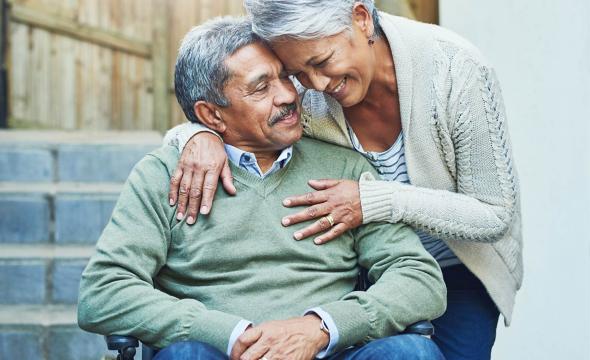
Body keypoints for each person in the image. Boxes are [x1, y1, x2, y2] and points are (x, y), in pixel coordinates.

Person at [165, 1, 523, 359]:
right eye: (299, 72)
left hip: (455, 266)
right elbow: (238, 119)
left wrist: (372, 201)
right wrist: (197, 135)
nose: (316, 84)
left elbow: (494, 214)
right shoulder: (304, 92)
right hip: (357, 269)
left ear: (362, 19)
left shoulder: (455, 72)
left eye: (321, 62)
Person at [77, 16, 447, 360]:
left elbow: (419, 280)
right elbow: (103, 292)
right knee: (185, 355)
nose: (288, 95)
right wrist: (232, 334)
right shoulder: (163, 176)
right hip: (217, 353)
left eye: (284, 77)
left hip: (330, 351)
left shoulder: (344, 165)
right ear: (211, 116)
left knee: (412, 353)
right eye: (261, 87)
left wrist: (322, 327)